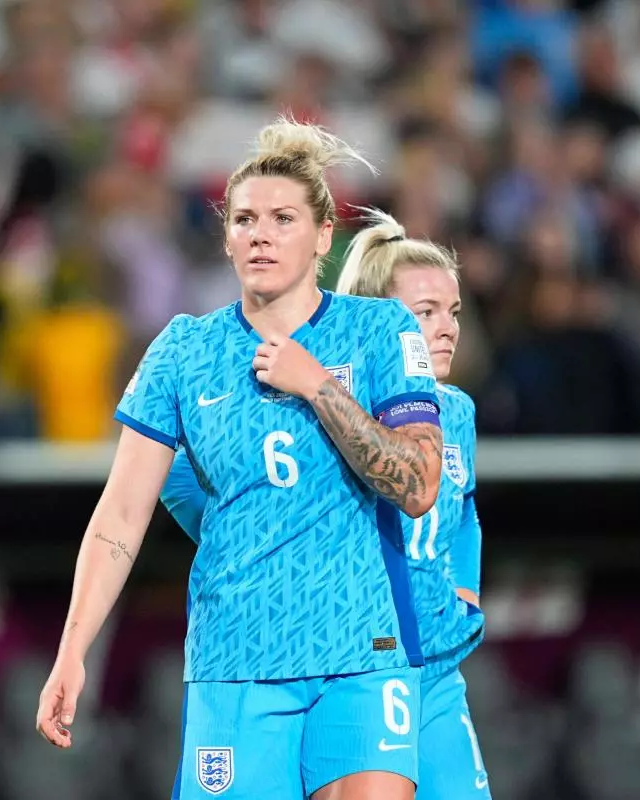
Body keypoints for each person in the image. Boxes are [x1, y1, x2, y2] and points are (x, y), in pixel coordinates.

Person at [36, 118, 445, 800]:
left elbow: (419, 483)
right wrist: (72, 651)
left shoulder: (380, 331)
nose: (261, 233)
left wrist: (317, 386)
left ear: (322, 237)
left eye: (284, 218)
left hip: (362, 653)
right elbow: (121, 514)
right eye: (246, 219)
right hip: (237, 658)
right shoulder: (183, 351)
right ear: (226, 238)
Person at [163, 208, 491, 798]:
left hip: (436, 666)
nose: (445, 328)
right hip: (356, 652)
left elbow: (463, 512)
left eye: (453, 311)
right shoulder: (314, 402)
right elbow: (181, 471)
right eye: (425, 312)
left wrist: (464, 590)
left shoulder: (457, 411)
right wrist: (257, 542)